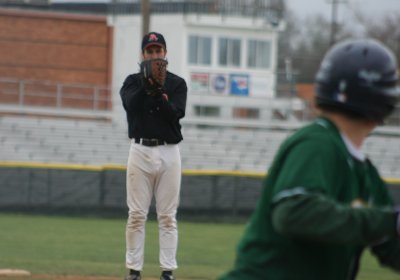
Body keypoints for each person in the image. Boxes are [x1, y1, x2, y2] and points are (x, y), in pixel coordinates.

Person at [219, 38, 400, 280]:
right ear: (384, 107)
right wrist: (389, 220)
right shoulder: (317, 143)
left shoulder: (366, 175)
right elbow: (294, 213)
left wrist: (387, 223)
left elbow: (390, 245)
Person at [120, 31, 187, 280]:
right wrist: (147, 88)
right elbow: (130, 106)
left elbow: (175, 115)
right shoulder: (131, 82)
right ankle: (134, 271)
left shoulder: (177, 83)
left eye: (158, 50)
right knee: (137, 214)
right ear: (143, 54)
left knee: (168, 216)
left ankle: (167, 272)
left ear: (165, 53)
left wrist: (159, 93)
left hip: (169, 152)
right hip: (140, 150)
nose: (155, 54)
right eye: (150, 51)